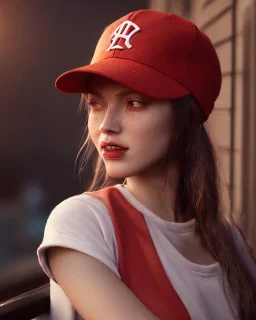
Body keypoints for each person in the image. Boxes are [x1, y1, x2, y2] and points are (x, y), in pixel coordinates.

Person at [37, 9, 256, 320]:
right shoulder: (84, 224)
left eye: (134, 102)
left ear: (187, 114)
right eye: (95, 104)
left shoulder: (231, 239)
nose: (106, 125)